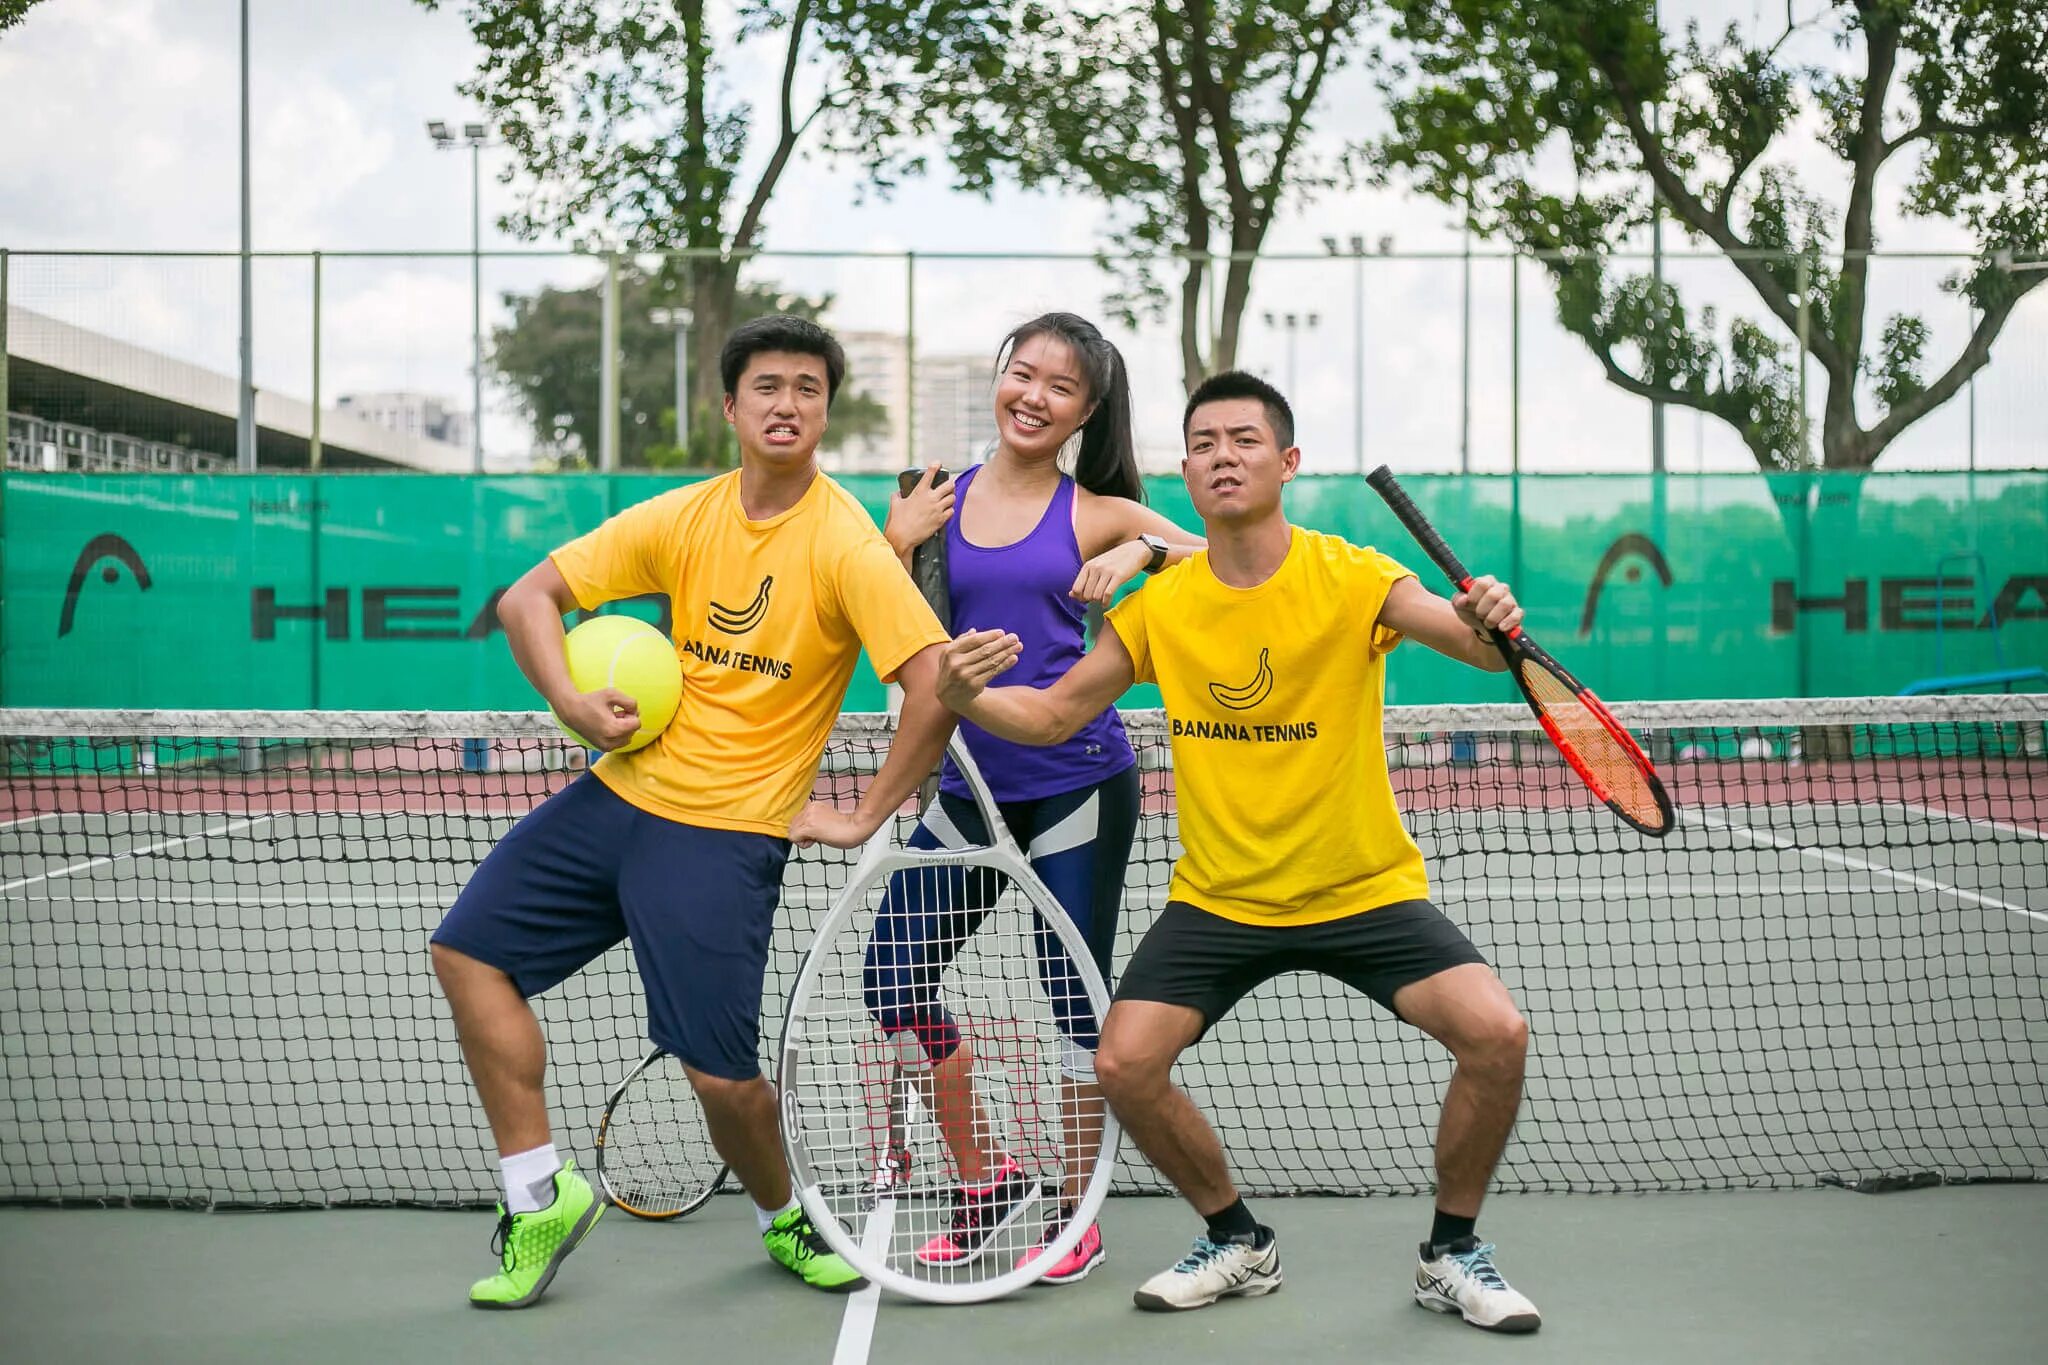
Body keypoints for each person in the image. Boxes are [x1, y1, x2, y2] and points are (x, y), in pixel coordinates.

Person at [930, 370, 1544, 1332]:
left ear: (1286, 462)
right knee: (1124, 1063)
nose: (1225, 455)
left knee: (1496, 1034)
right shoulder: (1162, 604)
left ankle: (1453, 1251)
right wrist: (962, 696)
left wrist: (1488, 617)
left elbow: (1465, 642)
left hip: (1361, 889)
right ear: (1187, 468)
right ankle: (1236, 1239)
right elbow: (1052, 714)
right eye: (1206, 442)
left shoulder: (1351, 575)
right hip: (1222, 898)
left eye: (1246, 440)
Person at [430, 316, 953, 1310]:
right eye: (767, 385)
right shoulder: (683, 517)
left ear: (825, 411)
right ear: (731, 407)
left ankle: (782, 1216)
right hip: (614, 798)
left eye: (807, 387)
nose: (787, 402)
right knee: (466, 953)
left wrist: (862, 816)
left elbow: (933, 687)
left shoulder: (847, 544)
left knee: (718, 1081)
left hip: (724, 834)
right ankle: (537, 1196)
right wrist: (571, 705)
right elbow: (527, 600)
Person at [792, 312, 1202, 1286]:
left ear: (1086, 410)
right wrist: (893, 546)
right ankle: (986, 1182)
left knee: (1073, 1005)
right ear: (999, 379)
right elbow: (882, 622)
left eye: (1060, 386)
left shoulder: (1098, 510)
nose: (1034, 396)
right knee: (891, 981)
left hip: (1076, 790)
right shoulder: (936, 500)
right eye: (1023, 374)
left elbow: (1207, 553)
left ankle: (1073, 1208)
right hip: (966, 790)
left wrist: (1139, 553)